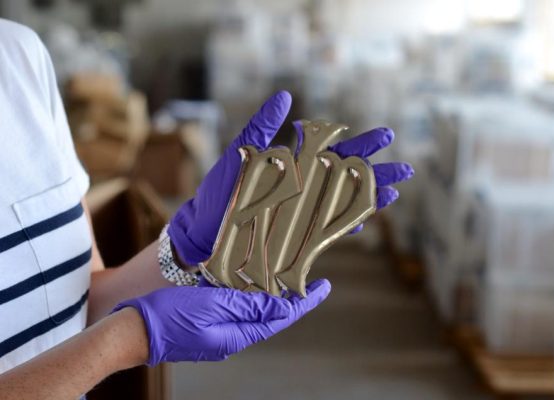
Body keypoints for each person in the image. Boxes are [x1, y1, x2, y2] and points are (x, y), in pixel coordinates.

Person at [0, 18, 414, 399]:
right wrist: (125, 341)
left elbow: (77, 304)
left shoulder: (18, 58)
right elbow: (101, 336)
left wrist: (182, 253)